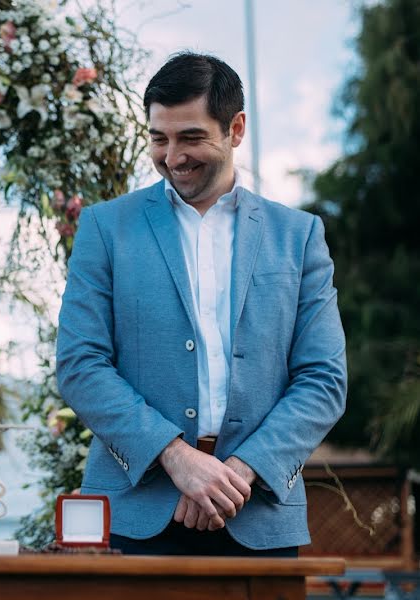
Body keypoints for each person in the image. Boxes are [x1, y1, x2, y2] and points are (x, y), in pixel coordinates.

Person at [56, 53, 346, 556]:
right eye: (158, 138)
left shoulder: (298, 237)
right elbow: (80, 365)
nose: (172, 156)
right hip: (134, 513)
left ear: (235, 129)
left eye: (190, 137)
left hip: (258, 514)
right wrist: (175, 458)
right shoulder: (105, 229)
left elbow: (324, 379)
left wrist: (238, 472)